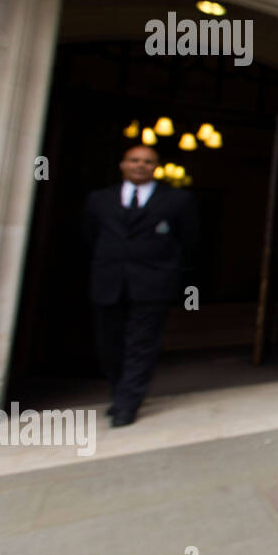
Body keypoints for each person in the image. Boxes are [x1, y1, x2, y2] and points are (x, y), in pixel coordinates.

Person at [83, 144, 199, 427]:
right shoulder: (99, 200)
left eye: (147, 161)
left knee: (141, 345)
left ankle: (128, 404)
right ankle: (119, 392)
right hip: (109, 282)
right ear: (122, 164)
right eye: (134, 160)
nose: (140, 165)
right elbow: (88, 238)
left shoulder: (177, 200)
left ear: (156, 167)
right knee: (110, 346)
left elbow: (190, 241)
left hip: (153, 285)